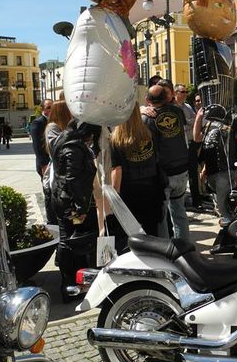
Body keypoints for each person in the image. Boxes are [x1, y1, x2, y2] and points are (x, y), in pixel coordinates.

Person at [51, 120, 101, 302]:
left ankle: (70, 282)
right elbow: (72, 179)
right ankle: (68, 283)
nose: (91, 140)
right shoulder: (74, 147)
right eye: (91, 137)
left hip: (62, 199)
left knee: (70, 239)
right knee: (70, 241)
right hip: (70, 202)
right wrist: (80, 206)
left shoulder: (64, 139)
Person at [110, 106, 167, 250]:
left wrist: (114, 196)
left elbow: (117, 169)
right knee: (152, 230)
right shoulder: (148, 132)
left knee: (130, 233)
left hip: (129, 190)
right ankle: (154, 260)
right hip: (152, 187)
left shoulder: (116, 139)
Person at [142, 84, 190, 240]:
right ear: (167, 97)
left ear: (148, 99)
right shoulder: (177, 111)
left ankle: (166, 251)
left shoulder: (147, 119)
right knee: (179, 212)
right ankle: (185, 248)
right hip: (181, 168)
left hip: (163, 173)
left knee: (161, 217)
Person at [194, 106, 237, 225]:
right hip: (212, 173)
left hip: (227, 172)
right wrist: (198, 118)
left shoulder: (235, 119)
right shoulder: (210, 122)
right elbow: (197, 138)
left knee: (228, 212)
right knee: (222, 210)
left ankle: (233, 236)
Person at [175, 83, 203, 209]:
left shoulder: (187, 107)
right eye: (183, 92)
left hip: (191, 144)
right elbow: (188, 122)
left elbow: (195, 121)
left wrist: (190, 121)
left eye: (186, 91)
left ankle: (197, 200)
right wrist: (191, 121)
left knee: (193, 172)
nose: (186, 94)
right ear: (176, 93)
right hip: (179, 146)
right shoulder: (172, 107)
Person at [30, 99, 55, 224]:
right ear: (43, 109)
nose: (52, 109)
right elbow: (38, 147)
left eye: (53, 107)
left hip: (54, 164)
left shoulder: (54, 121)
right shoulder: (37, 123)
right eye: (49, 107)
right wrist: (44, 165)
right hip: (45, 164)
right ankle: (51, 220)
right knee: (48, 191)